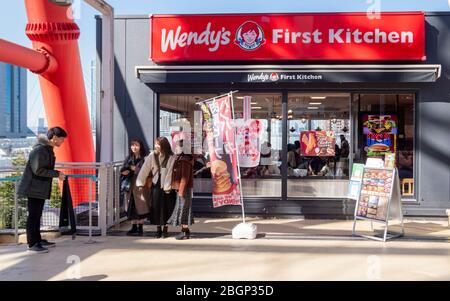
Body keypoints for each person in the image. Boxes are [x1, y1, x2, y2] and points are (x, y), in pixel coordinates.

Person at [17, 127, 67, 253]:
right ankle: (32, 243)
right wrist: (57, 174)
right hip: (33, 188)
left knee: (37, 215)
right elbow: (38, 170)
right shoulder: (40, 150)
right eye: (61, 139)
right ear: (54, 138)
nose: (62, 142)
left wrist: (56, 174)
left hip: (39, 188)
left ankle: (38, 240)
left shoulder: (47, 149)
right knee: (33, 216)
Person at [136, 137, 176, 238]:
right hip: (156, 184)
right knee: (156, 207)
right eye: (155, 144)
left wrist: (167, 186)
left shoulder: (172, 156)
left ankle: (165, 229)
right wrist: (140, 182)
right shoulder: (152, 155)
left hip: (168, 185)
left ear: (164, 145)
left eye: (158, 144)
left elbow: (170, 173)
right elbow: (145, 169)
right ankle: (158, 230)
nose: (156, 146)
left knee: (167, 207)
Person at [120, 139, 149, 236]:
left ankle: (140, 228)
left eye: (136, 145)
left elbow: (146, 171)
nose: (134, 147)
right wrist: (125, 171)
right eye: (132, 145)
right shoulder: (129, 157)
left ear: (140, 146)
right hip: (130, 186)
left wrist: (134, 169)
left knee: (140, 207)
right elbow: (123, 169)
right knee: (131, 206)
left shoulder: (145, 158)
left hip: (140, 186)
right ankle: (133, 227)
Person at [168, 140, 194, 240]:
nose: (175, 149)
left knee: (184, 210)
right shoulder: (180, 158)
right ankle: (185, 231)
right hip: (181, 189)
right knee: (183, 209)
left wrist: (181, 191)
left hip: (183, 189)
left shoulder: (185, 160)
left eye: (177, 147)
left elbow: (185, 178)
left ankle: (185, 232)